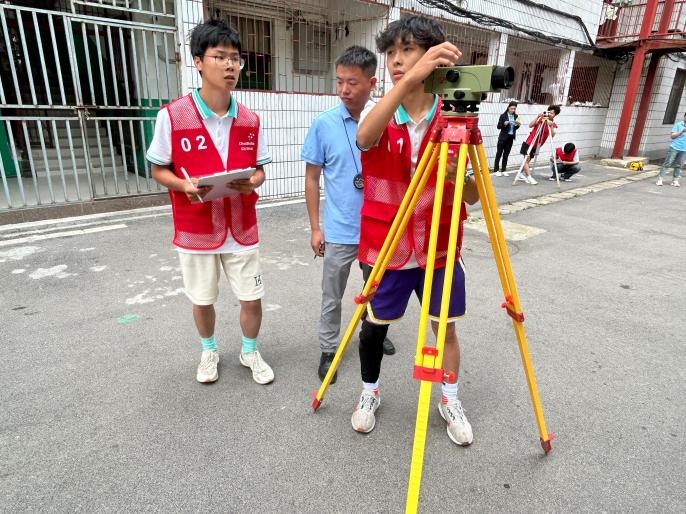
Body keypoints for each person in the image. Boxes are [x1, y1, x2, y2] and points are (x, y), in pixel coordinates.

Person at [353, 16, 480, 446]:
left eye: (407, 50)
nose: (396, 60)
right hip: (386, 245)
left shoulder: (455, 114)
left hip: (438, 246)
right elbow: (364, 138)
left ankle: (449, 397)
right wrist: (406, 86)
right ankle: (369, 392)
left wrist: (457, 176)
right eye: (391, 53)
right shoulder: (385, 111)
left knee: (445, 328)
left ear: (432, 54)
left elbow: (474, 197)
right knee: (374, 327)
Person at [146, 20, 274, 385]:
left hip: (242, 225)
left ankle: (249, 351)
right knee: (203, 299)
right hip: (197, 226)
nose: (230, 66)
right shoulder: (172, 116)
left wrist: (252, 183)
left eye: (236, 59)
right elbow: (158, 168)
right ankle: (209, 351)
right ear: (198, 62)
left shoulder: (250, 119)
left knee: (253, 296)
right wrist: (183, 186)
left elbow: (260, 170)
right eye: (220, 57)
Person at [301, 46, 395, 385]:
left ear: (371, 83)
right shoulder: (324, 124)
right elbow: (312, 178)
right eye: (339, 82)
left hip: (380, 229)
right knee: (332, 295)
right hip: (340, 230)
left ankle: (375, 333)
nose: (344, 90)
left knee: (380, 291)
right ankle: (329, 349)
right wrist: (315, 227)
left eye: (352, 83)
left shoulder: (388, 120)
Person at [518, 104, 561, 185]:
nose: (550, 114)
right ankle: (529, 177)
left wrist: (550, 125)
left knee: (528, 160)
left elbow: (552, 135)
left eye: (552, 113)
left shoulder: (553, 124)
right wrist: (538, 117)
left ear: (555, 115)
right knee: (526, 159)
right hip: (529, 142)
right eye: (549, 112)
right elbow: (530, 125)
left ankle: (521, 173)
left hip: (537, 145)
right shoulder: (541, 119)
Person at [656, 112, 686, 187]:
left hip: (683, 149)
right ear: (684, 117)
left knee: (678, 165)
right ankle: (660, 179)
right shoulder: (678, 125)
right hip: (674, 147)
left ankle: (675, 180)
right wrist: (681, 132)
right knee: (667, 163)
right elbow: (672, 136)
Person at [493, 101, 521, 176]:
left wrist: (517, 125)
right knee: (499, 153)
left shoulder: (516, 116)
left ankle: (503, 170)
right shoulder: (503, 116)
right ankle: (496, 170)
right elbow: (498, 126)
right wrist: (504, 124)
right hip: (502, 138)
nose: (513, 110)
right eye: (512, 108)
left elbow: (516, 127)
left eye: (514, 109)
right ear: (508, 108)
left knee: (506, 154)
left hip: (510, 138)